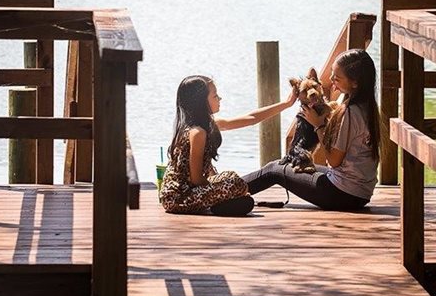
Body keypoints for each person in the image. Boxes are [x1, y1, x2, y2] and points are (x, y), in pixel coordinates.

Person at [242, 49, 381, 210]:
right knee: (278, 166)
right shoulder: (368, 107)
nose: (331, 81)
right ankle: (228, 190)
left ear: (355, 82)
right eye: (331, 75)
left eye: (336, 78)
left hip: (342, 194)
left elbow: (334, 161)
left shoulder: (350, 112)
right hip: (360, 193)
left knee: (273, 170)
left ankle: (224, 192)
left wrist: (318, 125)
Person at [160, 75, 298, 216]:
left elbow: (252, 118)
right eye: (215, 96)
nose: (220, 98)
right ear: (201, 102)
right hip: (178, 198)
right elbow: (196, 179)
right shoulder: (197, 133)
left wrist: (287, 103)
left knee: (231, 178)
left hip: (192, 190)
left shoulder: (207, 126)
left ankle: (224, 201)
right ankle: (224, 200)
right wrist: (223, 190)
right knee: (235, 184)